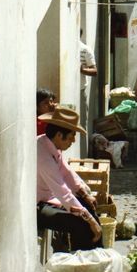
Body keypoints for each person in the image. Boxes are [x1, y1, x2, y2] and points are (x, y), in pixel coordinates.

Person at [37, 106, 102, 251]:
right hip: (38, 206)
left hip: (51, 199)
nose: (73, 140)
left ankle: (98, 255)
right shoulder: (42, 156)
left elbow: (66, 173)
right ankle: (83, 262)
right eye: (72, 135)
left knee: (88, 208)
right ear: (60, 135)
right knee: (80, 223)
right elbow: (62, 191)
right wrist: (90, 221)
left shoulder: (51, 145)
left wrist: (85, 195)